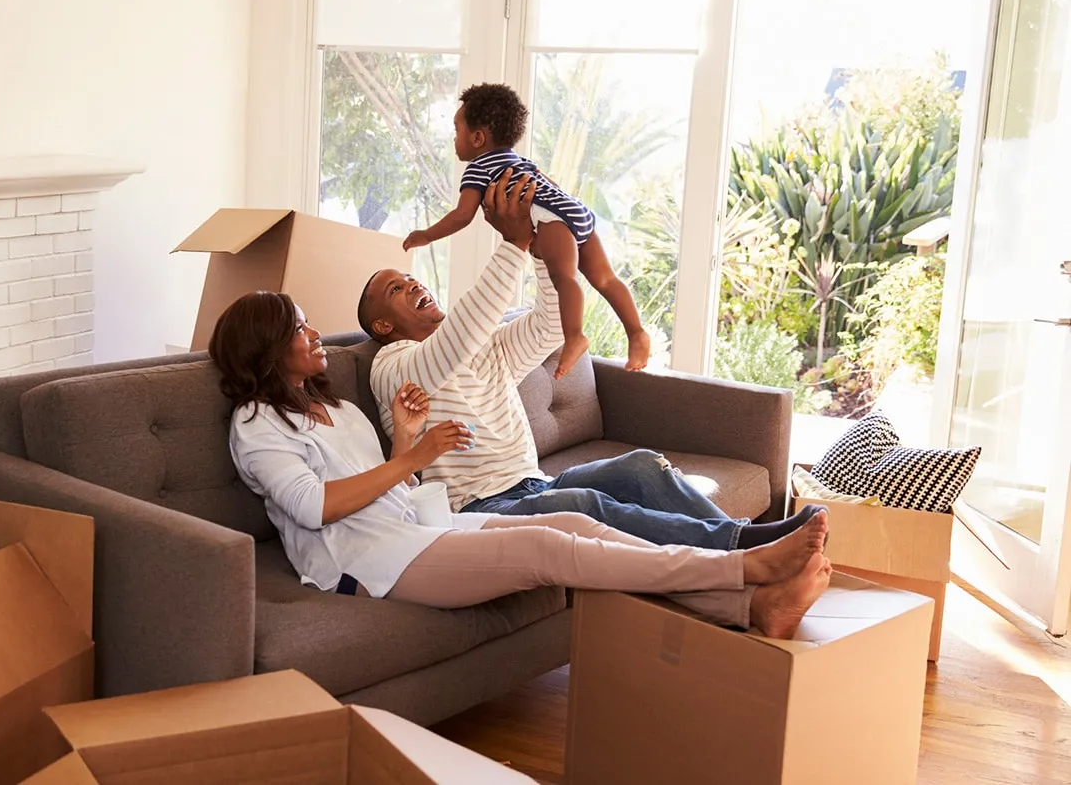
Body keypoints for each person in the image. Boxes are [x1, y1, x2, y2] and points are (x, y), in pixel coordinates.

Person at [210, 289, 832, 639]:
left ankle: (751, 607)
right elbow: (317, 507)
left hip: (414, 531)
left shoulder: (337, 409)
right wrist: (417, 456)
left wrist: (404, 441)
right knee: (544, 549)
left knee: (580, 528)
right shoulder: (256, 425)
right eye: (299, 326)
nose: (314, 332)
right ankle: (740, 565)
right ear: (266, 349)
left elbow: (390, 490)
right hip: (366, 563)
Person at [364, 168, 823, 551]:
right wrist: (512, 244)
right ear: (383, 325)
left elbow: (548, 325)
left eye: (411, 278)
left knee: (643, 465)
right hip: (478, 508)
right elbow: (452, 347)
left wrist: (543, 249)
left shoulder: (485, 345)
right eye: (396, 290)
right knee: (585, 505)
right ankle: (744, 548)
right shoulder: (393, 366)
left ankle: (751, 543)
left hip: (533, 483)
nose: (414, 285)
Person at [403, 83, 648, 376]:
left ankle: (574, 337)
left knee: (564, 278)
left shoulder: (478, 169)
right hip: (574, 208)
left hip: (550, 217)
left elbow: (462, 215)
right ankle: (636, 333)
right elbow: (551, 185)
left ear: (478, 138)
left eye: (457, 130)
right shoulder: (521, 161)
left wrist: (426, 235)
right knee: (606, 279)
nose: (454, 139)